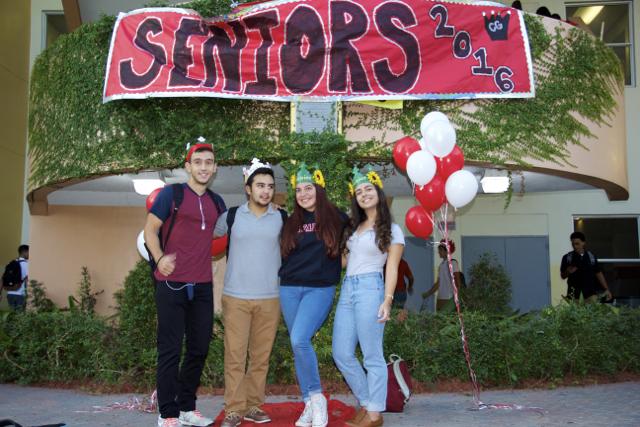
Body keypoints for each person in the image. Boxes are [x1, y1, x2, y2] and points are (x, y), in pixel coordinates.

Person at [144, 140, 224, 427]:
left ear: (215, 168)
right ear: (188, 166)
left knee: (199, 347)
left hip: (202, 285)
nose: (204, 167)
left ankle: (187, 407)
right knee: (170, 349)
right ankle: (167, 413)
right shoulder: (172, 194)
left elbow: (223, 239)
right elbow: (150, 230)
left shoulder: (217, 203)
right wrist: (159, 256)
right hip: (171, 284)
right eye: (198, 162)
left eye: (209, 163)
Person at [214, 158, 286, 427]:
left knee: (260, 358)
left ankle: (253, 406)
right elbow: (205, 238)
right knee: (234, 356)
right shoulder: (230, 216)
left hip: (270, 298)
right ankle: (233, 409)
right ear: (248, 188)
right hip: (236, 298)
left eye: (270, 186)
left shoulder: (281, 217)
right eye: (260, 185)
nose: (265, 191)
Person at [333, 167, 405, 427]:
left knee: (372, 355)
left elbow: (393, 267)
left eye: (368, 189)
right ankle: (368, 403)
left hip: (371, 289)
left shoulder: (393, 229)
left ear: (378, 193)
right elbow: (344, 263)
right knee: (341, 353)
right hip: (348, 289)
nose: (364, 194)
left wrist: (387, 300)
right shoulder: (353, 227)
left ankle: (374, 414)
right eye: (359, 191)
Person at [278, 162, 347, 427]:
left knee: (299, 339)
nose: (304, 193)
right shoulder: (290, 221)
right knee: (299, 346)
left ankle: (317, 398)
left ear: (319, 189)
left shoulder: (337, 218)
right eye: (299, 190)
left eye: (309, 188)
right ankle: (309, 403)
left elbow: (361, 239)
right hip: (289, 288)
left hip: (319, 288)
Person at [561, 232, 612, 302]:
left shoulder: (591, 257)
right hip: (574, 297)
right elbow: (563, 276)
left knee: (593, 312)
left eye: (577, 244)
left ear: (583, 243)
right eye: (573, 244)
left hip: (591, 296)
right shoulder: (567, 257)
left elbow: (598, 273)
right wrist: (567, 271)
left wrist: (606, 289)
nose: (575, 246)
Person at [422, 239, 463, 311]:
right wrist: (428, 293)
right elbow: (438, 283)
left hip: (450, 298)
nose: (439, 252)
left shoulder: (453, 263)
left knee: (449, 320)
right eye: (439, 250)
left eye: (440, 250)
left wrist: (458, 295)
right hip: (440, 298)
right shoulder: (441, 265)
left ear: (447, 251)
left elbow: (457, 279)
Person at [5, 245, 29, 312]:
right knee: (19, 317)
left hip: (10, 293)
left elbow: (3, 278)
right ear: (24, 252)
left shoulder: (10, 263)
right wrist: (28, 294)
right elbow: (26, 280)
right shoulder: (27, 264)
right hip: (20, 294)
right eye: (29, 252)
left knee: (12, 314)